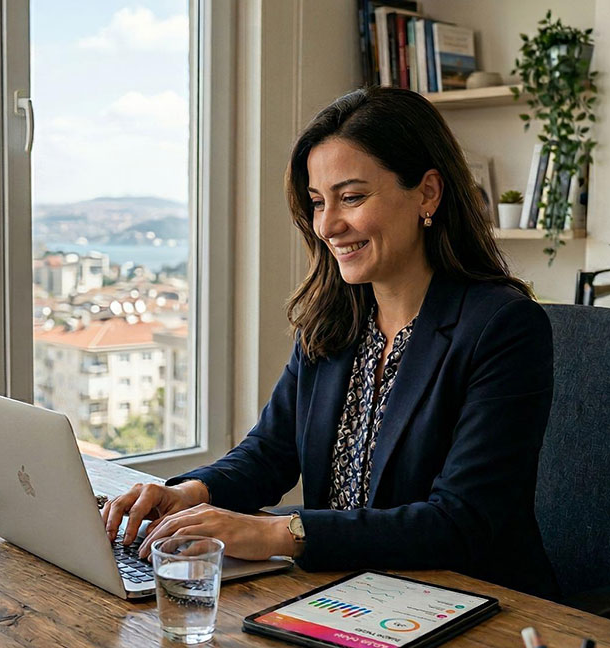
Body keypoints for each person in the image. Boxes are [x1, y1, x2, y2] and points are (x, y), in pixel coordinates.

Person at [101, 86, 559, 599]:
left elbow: (460, 522)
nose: (328, 225)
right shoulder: (335, 318)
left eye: (353, 197)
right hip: (345, 592)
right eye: (318, 202)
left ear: (427, 193)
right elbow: (269, 453)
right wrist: (187, 493)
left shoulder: (503, 328)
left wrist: (277, 532)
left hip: (474, 605)